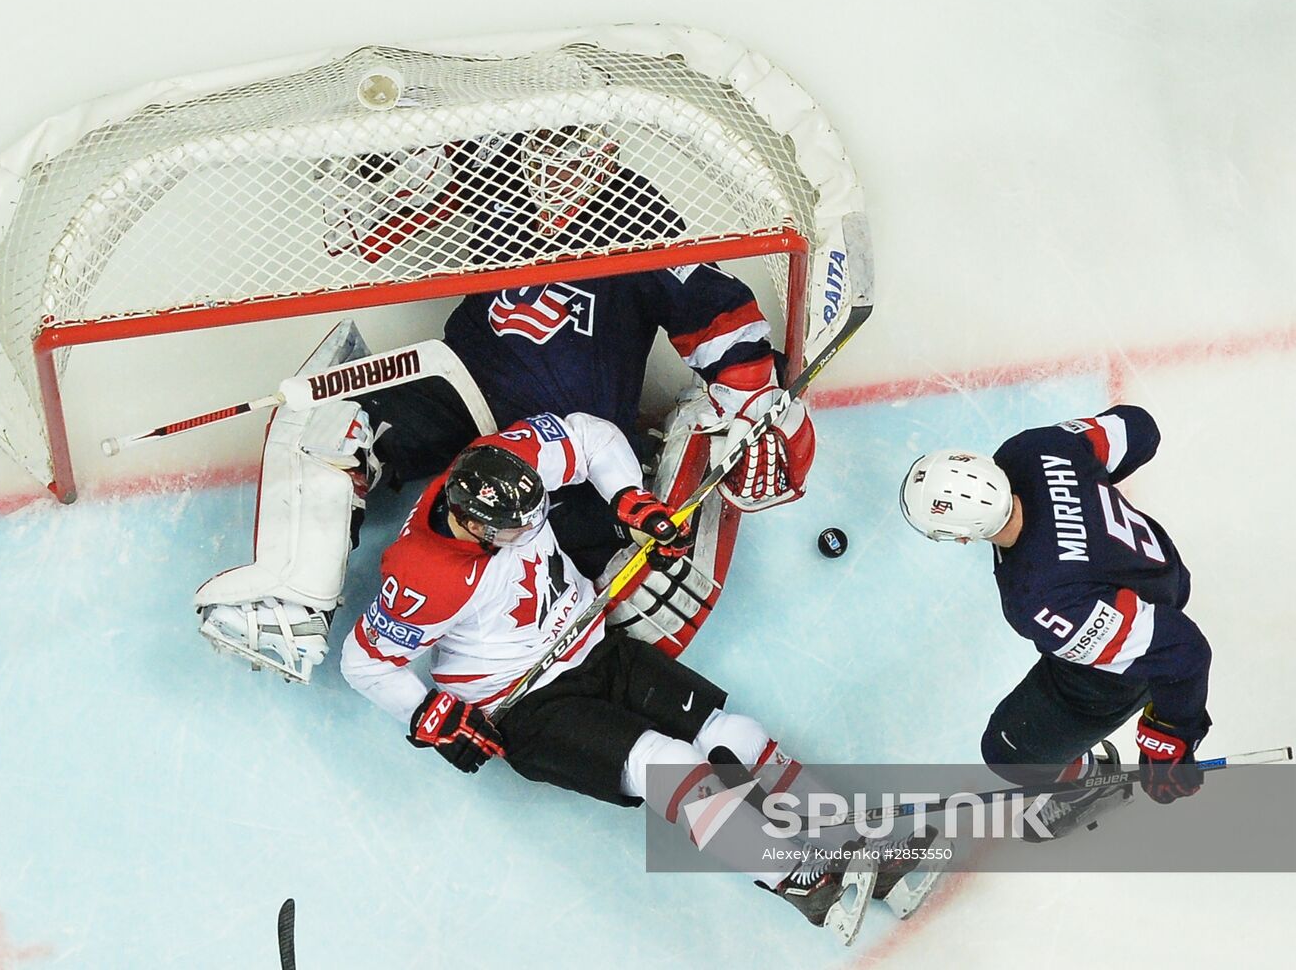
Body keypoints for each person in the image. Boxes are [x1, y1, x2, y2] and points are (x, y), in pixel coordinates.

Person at [194, 124, 815, 678]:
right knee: (328, 425)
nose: (552, 172)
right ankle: (291, 606)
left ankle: (570, 688)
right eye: (542, 150)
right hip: (462, 385)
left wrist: (755, 405)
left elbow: (715, 310)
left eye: (572, 156)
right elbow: (357, 237)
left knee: (633, 610)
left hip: (569, 440)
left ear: (606, 155)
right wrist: (399, 162)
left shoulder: (637, 217)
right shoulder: (495, 174)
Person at [339, 409, 927, 942]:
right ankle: (798, 880)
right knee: (666, 765)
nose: (533, 533)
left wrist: (629, 500)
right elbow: (364, 661)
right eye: (517, 533)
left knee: (735, 735)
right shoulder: (423, 575)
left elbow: (589, 438)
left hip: (593, 645)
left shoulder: (508, 466)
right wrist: (429, 715)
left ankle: (852, 841)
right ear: (472, 525)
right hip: (523, 703)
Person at [898, 406, 1212, 837]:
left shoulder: (1039, 599)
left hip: (1130, 654)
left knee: (1009, 751)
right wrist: (1081, 496)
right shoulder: (1033, 449)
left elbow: (1180, 654)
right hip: (1164, 574)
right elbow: (1141, 429)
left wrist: (1172, 737)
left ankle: (1086, 785)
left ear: (963, 536)